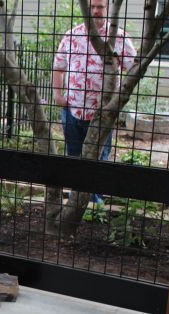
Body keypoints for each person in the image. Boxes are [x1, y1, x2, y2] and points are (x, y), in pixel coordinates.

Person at [52, 0, 136, 203]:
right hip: (72, 110)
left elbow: (133, 68)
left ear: (107, 9)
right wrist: (57, 94)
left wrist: (119, 98)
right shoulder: (72, 35)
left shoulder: (119, 37)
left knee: (99, 159)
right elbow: (58, 67)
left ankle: (94, 201)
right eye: (93, 6)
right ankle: (76, 197)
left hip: (102, 113)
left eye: (101, 7)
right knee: (74, 155)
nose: (96, 11)